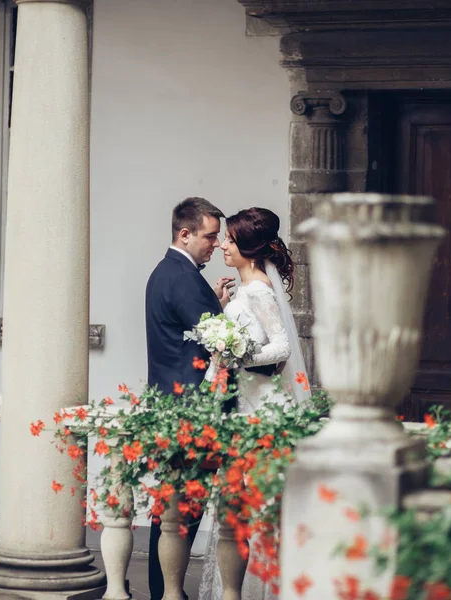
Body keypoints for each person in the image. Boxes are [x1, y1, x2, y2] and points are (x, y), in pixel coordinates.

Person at [198, 207, 311, 600]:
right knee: (235, 508)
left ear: (248, 247)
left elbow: (280, 346)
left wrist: (239, 355)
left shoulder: (261, 289)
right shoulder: (245, 289)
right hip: (240, 406)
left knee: (261, 509)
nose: (224, 245)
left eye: (229, 239)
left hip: (263, 411)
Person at [145, 196, 235, 600]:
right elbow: (220, 337)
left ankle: (163, 588)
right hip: (190, 409)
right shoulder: (182, 277)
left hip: (170, 402)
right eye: (210, 237)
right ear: (185, 234)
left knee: (172, 510)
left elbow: (193, 329)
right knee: (181, 512)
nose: (215, 245)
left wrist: (214, 304)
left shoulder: (168, 272)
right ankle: (166, 590)